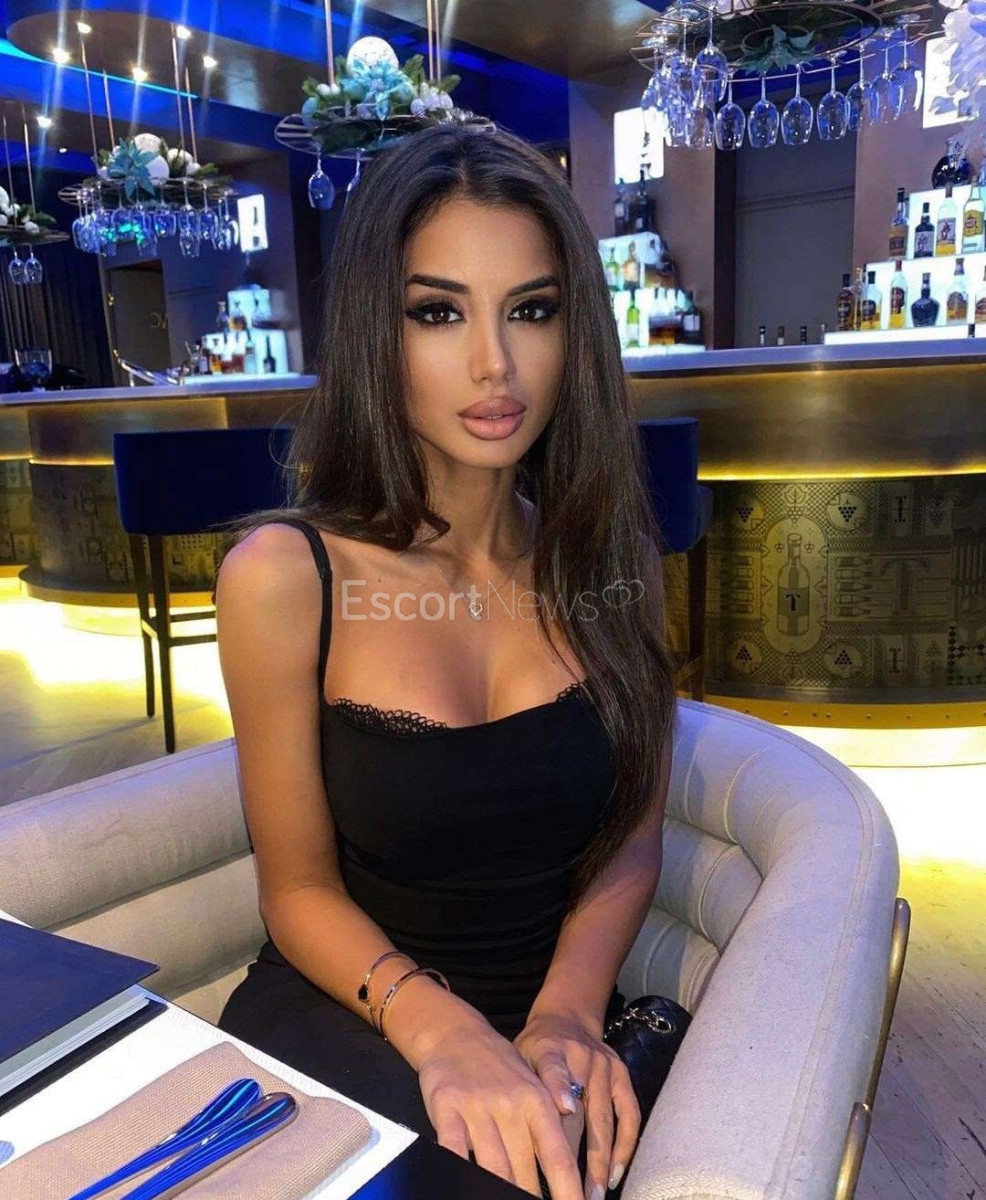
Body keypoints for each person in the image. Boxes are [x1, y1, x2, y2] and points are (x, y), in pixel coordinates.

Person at [214, 121, 677, 1200]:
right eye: (438, 312)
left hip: (558, 1026)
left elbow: (632, 840)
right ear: (378, 332)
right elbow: (296, 889)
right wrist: (444, 1034)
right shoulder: (284, 576)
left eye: (531, 310)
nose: (493, 364)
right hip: (359, 1014)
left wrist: (568, 1013)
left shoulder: (616, 566)